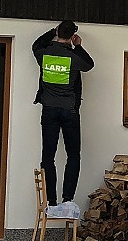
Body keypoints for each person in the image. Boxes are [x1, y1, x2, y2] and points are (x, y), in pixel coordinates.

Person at [32, 20, 94, 226]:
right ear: (73, 34)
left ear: (58, 31)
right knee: (73, 155)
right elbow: (89, 64)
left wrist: (53, 32)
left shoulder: (44, 53)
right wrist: (78, 45)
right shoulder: (75, 57)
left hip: (49, 110)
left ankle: (51, 202)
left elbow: (35, 45)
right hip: (69, 111)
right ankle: (67, 200)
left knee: (47, 157)